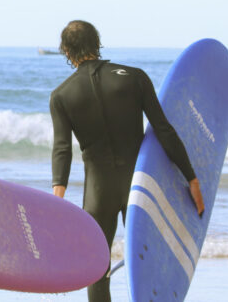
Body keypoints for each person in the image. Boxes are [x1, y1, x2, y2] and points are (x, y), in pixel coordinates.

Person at [49, 21, 204, 302]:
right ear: (97, 43)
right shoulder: (134, 77)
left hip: (98, 193)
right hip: (140, 186)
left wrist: (57, 200)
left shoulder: (61, 95)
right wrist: (191, 177)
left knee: (97, 268)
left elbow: (62, 150)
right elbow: (163, 130)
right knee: (150, 265)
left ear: (67, 52)